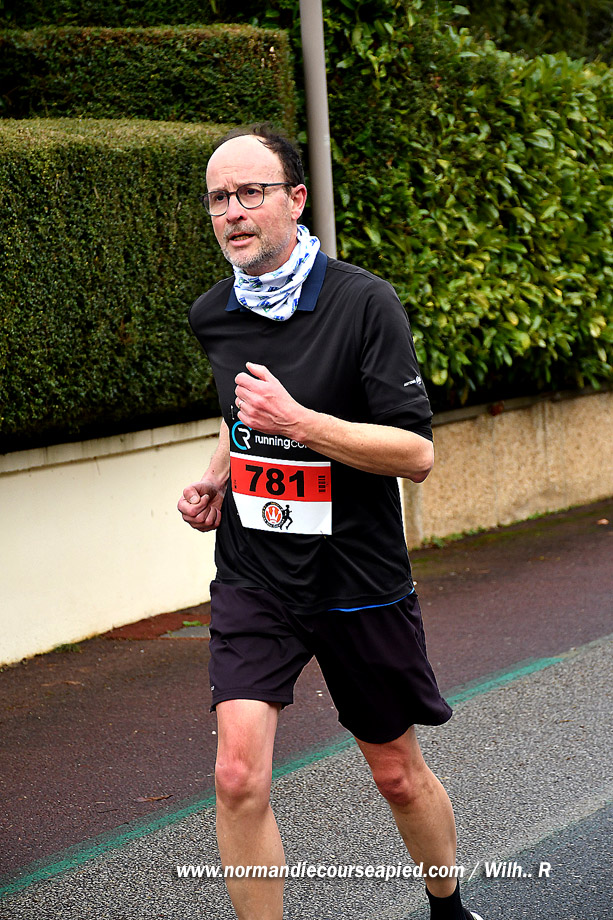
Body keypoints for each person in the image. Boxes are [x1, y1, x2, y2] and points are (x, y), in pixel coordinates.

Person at [178, 123, 485, 920]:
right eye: (218, 198)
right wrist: (215, 478)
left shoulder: (362, 302)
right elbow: (240, 416)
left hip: (356, 576)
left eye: (251, 193)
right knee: (236, 775)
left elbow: (414, 453)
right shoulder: (214, 314)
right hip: (256, 575)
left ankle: (447, 908)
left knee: (395, 772)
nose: (233, 212)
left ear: (295, 199)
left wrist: (299, 423)